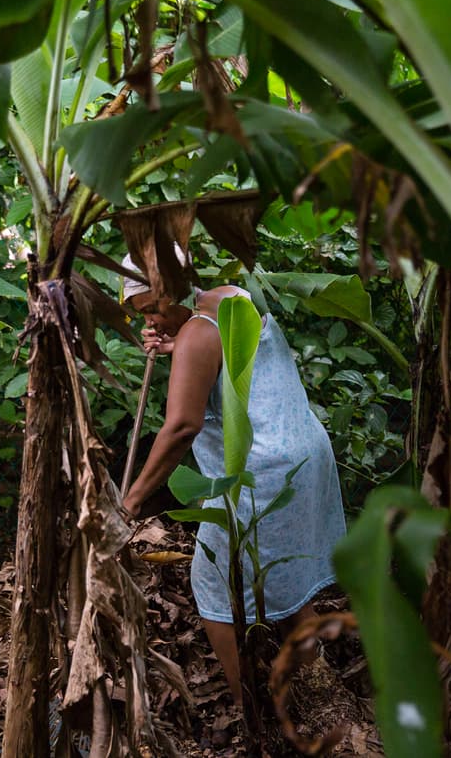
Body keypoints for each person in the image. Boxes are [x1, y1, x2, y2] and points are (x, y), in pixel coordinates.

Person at [120, 272, 347, 707]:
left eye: (154, 308)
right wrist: (178, 344)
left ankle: (250, 707)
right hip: (300, 450)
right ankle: (319, 687)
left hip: (260, 469)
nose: (150, 320)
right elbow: (232, 361)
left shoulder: (197, 334)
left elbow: (181, 427)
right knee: (282, 576)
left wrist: (129, 503)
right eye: (142, 313)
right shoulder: (228, 298)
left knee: (211, 582)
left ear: (176, 290)